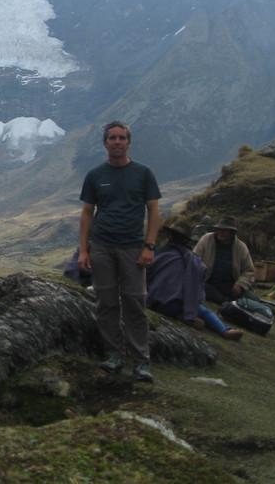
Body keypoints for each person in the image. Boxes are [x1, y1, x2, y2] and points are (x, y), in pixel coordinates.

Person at [78, 120, 161, 383]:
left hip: (132, 248)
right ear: (105, 143)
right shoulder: (95, 176)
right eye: (112, 138)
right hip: (102, 247)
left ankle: (141, 361)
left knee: (135, 301)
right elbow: (87, 213)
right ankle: (114, 355)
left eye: (121, 138)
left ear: (128, 142)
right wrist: (84, 250)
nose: (117, 142)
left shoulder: (143, 173)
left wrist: (149, 245)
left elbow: (154, 211)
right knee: (106, 302)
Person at [147, 219, 243, 340]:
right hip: (181, 304)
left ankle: (181, 315)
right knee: (203, 311)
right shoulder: (193, 260)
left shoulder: (156, 254)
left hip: (155, 303)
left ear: (169, 236)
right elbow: (197, 286)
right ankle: (224, 330)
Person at [193, 216, 256, 304]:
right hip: (209, 282)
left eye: (225, 230)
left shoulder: (241, 247)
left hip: (231, 285)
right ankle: (227, 303)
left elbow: (249, 271)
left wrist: (240, 285)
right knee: (207, 291)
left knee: (252, 299)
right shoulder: (206, 240)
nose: (221, 232)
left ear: (232, 232)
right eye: (219, 229)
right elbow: (194, 260)